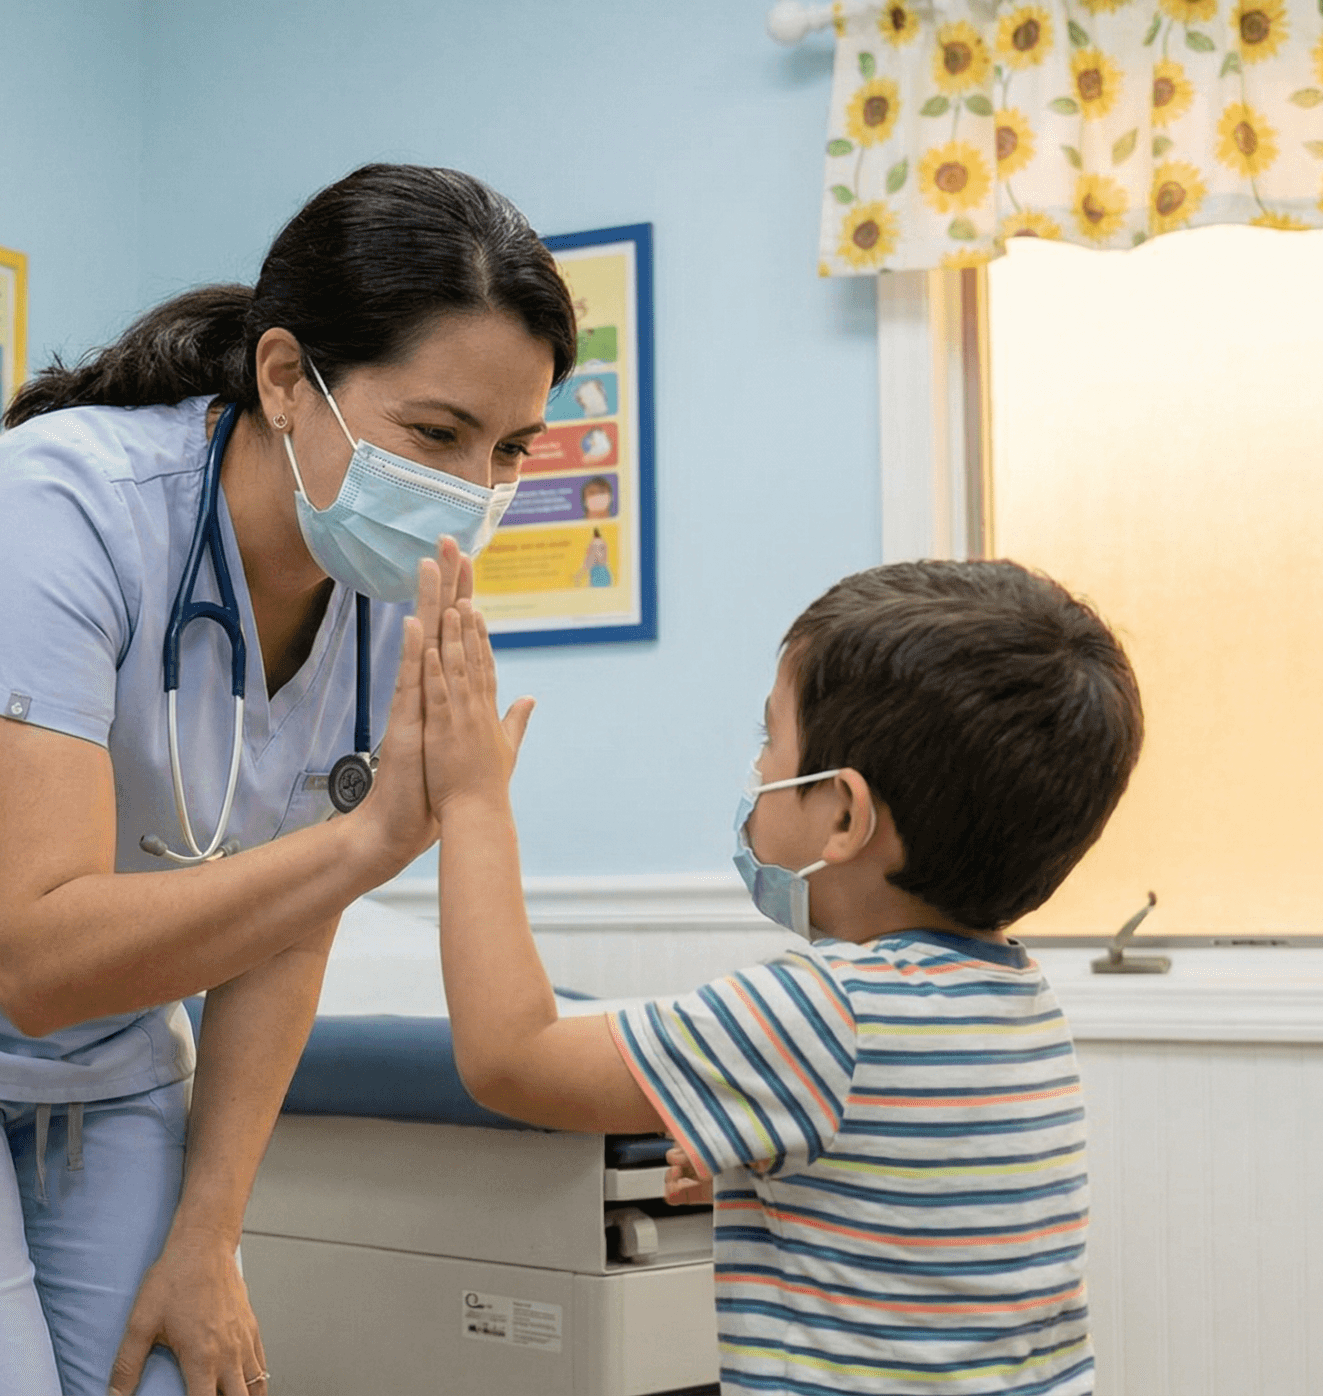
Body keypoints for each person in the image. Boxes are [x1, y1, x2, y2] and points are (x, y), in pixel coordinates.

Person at [0, 163, 576, 1396]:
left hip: (101, 1047)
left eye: (507, 448)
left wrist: (211, 1241)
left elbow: (281, 932)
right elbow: (36, 955)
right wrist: (367, 845)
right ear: (284, 378)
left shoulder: (385, 604)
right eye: (434, 435)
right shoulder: (57, 508)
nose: (469, 497)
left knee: (172, 1371)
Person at [415, 558, 1143, 1396]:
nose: (759, 771)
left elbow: (513, 1057)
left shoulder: (824, 1009)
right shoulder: (1021, 1005)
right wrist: (755, 1169)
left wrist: (473, 801)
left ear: (842, 813)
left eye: (771, 740)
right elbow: (907, 1212)